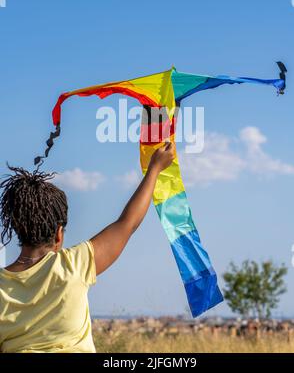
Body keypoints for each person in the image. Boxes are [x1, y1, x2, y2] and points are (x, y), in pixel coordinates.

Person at [0, 142, 175, 353]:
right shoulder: (74, 265)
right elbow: (127, 224)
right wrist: (154, 168)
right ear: (59, 233)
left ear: (17, 227)